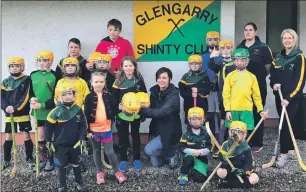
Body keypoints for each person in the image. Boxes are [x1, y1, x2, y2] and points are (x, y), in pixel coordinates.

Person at [269, 29, 306, 168]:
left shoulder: (299, 57)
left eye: (290, 38)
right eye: (285, 38)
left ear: (294, 39)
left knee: (284, 125)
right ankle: (291, 149)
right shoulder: (278, 57)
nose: (287, 40)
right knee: (287, 124)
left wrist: (289, 97)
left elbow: (300, 80)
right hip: (279, 97)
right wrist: (273, 85)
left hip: (293, 99)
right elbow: (273, 76)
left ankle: (283, 154)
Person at [236, 22, 273, 152]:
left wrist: (258, 77)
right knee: (245, 113)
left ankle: (257, 142)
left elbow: (269, 66)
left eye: (250, 30)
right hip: (242, 87)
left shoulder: (263, 47)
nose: (248, 32)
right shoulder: (240, 47)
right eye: (246, 30)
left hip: (258, 86)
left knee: (258, 112)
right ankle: (246, 141)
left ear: (255, 32)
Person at [84, 72, 127, 184]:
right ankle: (100, 173)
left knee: (110, 152)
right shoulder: (88, 98)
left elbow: (115, 108)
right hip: (94, 131)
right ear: (91, 83)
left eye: (101, 82)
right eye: (96, 82)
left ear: (105, 82)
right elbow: (86, 115)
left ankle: (117, 172)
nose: (99, 84)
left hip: (107, 129)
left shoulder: (108, 95)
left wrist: (121, 107)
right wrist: (87, 130)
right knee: (96, 151)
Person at [45, 84, 87, 192]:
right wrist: (48, 140)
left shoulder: (78, 109)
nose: (68, 96)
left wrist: (82, 137)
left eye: (70, 94)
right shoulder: (55, 112)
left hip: (75, 144)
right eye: (64, 94)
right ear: (59, 97)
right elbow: (48, 127)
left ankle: (79, 182)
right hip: (60, 145)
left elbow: (83, 125)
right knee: (61, 166)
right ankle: (62, 186)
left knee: (76, 164)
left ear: (74, 96)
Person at [140, 67, 182, 169]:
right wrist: (139, 114)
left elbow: (162, 111)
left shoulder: (174, 94)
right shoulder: (154, 91)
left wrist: (144, 111)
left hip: (170, 128)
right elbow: (150, 108)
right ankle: (168, 154)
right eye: (159, 78)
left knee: (148, 150)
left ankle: (173, 152)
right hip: (157, 127)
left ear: (169, 79)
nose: (161, 80)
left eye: (164, 78)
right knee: (156, 164)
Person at [223, 48, 268, 139]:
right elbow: (226, 94)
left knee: (245, 133)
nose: (240, 62)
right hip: (232, 110)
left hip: (247, 110)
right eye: (237, 60)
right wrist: (227, 110)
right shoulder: (230, 76)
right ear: (234, 61)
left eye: (243, 60)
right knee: (231, 132)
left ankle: (244, 151)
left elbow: (256, 95)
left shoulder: (252, 77)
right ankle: (230, 151)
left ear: (247, 61)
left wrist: (260, 110)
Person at [54, 57, 90, 172]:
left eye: (72, 65)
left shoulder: (82, 82)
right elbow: (56, 98)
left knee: (77, 139)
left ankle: (78, 161)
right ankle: (65, 161)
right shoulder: (60, 82)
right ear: (64, 68)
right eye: (67, 65)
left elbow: (87, 98)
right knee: (65, 139)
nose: (70, 67)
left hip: (78, 116)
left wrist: (82, 110)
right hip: (64, 117)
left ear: (77, 67)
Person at [112, 56, 147, 172]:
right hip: (122, 114)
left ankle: (137, 158)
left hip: (136, 114)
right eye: (126, 66)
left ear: (134, 66)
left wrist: (143, 107)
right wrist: (118, 106)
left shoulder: (139, 79)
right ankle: (123, 159)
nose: (128, 68)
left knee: (136, 135)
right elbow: (113, 98)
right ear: (122, 67)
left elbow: (144, 95)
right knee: (123, 136)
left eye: (131, 65)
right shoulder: (118, 81)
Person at [1, 57, 34, 170]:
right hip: (9, 114)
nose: (14, 68)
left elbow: (25, 98)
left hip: (22, 113)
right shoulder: (5, 81)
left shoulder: (27, 79)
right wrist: (6, 107)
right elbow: (2, 99)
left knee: (26, 134)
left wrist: (15, 108)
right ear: (9, 68)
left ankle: (29, 158)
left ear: (22, 67)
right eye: (12, 66)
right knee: (8, 136)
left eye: (17, 66)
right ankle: (6, 160)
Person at [30, 50, 58, 171]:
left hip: (50, 111)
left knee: (50, 136)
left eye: (45, 60)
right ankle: (43, 158)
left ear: (50, 62)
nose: (42, 63)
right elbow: (30, 92)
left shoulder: (55, 75)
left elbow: (56, 97)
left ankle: (51, 159)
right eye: (39, 61)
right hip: (37, 112)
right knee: (40, 136)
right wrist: (32, 99)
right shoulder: (33, 75)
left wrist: (42, 105)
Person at [208, 40, 236, 145]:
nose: (225, 50)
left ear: (232, 49)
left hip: (235, 96)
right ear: (219, 50)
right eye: (222, 48)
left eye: (228, 48)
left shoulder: (235, 62)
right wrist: (212, 57)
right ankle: (222, 144)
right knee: (223, 121)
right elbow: (211, 66)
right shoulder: (219, 62)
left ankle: (234, 142)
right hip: (223, 96)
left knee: (233, 119)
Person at [217, 121, 259, 189]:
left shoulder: (247, 148)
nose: (235, 135)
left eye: (239, 132)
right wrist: (221, 157)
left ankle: (230, 183)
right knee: (220, 171)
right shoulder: (225, 144)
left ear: (244, 135)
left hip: (242, 173)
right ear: (229, 132)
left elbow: (250, 164)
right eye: (233, 132)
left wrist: (242, 171)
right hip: (230, 171)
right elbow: (222, 162)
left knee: (255, 178)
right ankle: (234, 183)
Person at [178, 107, 211, 185]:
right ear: (189, 120)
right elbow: (181, 147)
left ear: (203, 120)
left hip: (201, 159)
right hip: (190, 156)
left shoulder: (206, 134)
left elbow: (210, 147)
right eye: (193, 119)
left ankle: (193, 170)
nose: (195, 121)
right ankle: (183, 173)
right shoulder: (186, 134)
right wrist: (192, 151)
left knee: (199, 179)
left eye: (198, 119)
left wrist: (200, 152)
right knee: (189, 158)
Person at [179, 54, 212, 125]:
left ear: (201, 64)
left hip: (202, 105)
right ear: (189, 65)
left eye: (197, 63)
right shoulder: (185, 77)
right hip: (189, 105)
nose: (194, 65)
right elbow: (182, 91)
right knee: (190, 123)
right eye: (192, 64)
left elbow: (208, 89)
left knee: (202, 123)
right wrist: (190, 93)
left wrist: (198, 91)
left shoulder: (205, 75)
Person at [201, 31, 221, 138]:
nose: (212, 42)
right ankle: (210, 139)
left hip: (220, 90)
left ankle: (220, 139)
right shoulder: (201, 56)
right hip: (207, 90)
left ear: (218, 40)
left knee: (220, 115)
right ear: (206, 41)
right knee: (210, 115)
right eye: (210, 39)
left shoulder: (223, 54)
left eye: (215, 39)